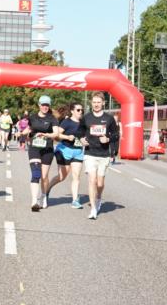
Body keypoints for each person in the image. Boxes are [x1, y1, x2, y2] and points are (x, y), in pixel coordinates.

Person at [79, 92, 119, 220]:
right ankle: (93, 209)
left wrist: (108, 139)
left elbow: (116, 134)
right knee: (92, 180)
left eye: (98, 102)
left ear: (103, 103)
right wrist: (81, 139)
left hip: (103, 154)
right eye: (94, 102)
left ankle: (99, 198)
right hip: (90, 153)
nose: (96, 104)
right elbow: (79, 131)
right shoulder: (86, 118)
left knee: (100, 183)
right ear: (91, 103)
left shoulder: (109, 118)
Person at [23, 95, 61, 211]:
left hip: (47, 149)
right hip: (34, 148)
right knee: (36, 174)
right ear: (39, 105)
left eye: (47, 105)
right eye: (43, 105)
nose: (45, 107)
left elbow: (56, 133)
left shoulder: (52, 119)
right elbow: (30, 129)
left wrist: (46, 135)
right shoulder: (33, 117)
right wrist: (22, 133)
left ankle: (44, 196)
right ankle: (34, 201)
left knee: (44, 177)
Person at [49, 103, 86, 208]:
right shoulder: (67, 122)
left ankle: (74, 200)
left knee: (76, 176)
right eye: (78, 110)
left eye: (82, 110)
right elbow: (57, 134)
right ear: (72, 111)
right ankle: (47, 190)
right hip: (65, 151)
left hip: (78, 151)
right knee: (61, 177)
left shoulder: (84, 123)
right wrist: (67, 137)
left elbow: (85, 136)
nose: (80, 112)